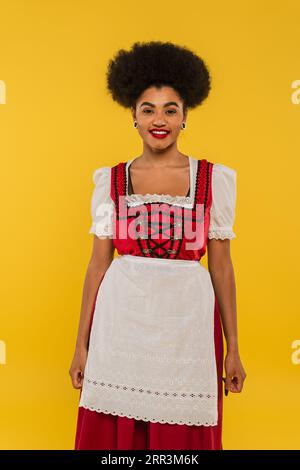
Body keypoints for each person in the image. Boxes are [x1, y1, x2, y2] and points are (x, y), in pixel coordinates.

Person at [69, 40, 246, 450]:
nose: (159, 119)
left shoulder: (213, 179)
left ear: (186, 116)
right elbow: (98, 265)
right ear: (133, 115)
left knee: (181, 433)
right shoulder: (110, 180)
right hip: (120, 321)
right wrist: (81, 345)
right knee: (116, 428)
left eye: (171, 109)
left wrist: (234, 347)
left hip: (187, 323)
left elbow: (221, 267)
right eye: (148, 108)